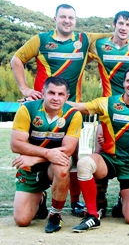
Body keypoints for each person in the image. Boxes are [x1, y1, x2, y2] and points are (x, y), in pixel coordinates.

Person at [10, 4, 129, 217]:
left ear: (75, 20)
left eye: (71, 17)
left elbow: (114, 34)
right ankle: (38, 193)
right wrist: (25, 89)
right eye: (63, 17)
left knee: (72, 154)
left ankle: (75, 202)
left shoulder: (84, 40)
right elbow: (16, 59)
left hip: (71, 108)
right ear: (55, 18)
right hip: (43, 104)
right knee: (34, 145)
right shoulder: (41, 39)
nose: (67, 21)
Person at [68, 66, 129, 232]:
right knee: (84, 163)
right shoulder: (107, 102)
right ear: (124, 82)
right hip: (109, 159)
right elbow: (78, 106)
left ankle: (122, 199)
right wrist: (44, 100)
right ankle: (93, 214)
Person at [88, 10, 129, 217]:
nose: (123, 27)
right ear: (113, 24)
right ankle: (100, 200)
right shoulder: (99, 45)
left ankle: (126, 195)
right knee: (101, 150)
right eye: (120, 23)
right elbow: (84, 40)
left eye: (128, 25)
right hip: (107, 109)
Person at [10, 77, 82, 233]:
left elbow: (68, 150)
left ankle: (55, 214)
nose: (56, 98)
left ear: (67, 96)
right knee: (22, 220)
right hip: (30, 167)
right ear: (43, 93)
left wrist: (39, 156)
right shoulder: (27, 109)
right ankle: (40, 197)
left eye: (61, 94)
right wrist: (47, 153)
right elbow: (16, 144)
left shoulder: (73, 114)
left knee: (62, 165)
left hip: (51, 164)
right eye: (51, 93)